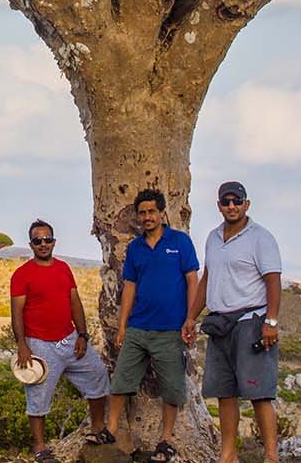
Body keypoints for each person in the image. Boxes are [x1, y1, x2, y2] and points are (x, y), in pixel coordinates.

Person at [187, 180, 283, 463]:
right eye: (226, 202)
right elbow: (207, 278)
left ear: (247, 204)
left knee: (259, 392)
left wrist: (272, 322)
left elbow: (273, 281)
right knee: (224, 393)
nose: (232, 206)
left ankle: (271, 456)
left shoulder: (260, 238)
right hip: (220, 325)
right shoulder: (214, 238)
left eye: (237, 201)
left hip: (251, 322)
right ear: (219, 206)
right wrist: (191, 317)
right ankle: (228, 455)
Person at [106, 188, 199, 463]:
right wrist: (122, 326)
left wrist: (190, 318)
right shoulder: (135, 248)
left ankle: (166, 438)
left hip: (171, 329)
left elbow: (192, 280)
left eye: (151, 212)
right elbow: (129, 288)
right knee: (121, 380)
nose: (147, 217)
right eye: (142, 212)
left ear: (162, 213)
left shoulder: (180, 242)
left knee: (171, 387)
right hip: (138, 327)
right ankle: (111, 429)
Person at [10, 219, 115, 460]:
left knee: (98, 377)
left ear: (54, 241)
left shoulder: (64, 269)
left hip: (69, 339)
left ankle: (98, 429)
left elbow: (75, 302)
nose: (43, 244)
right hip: (39, 344)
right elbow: (16, 313)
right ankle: (39, 447)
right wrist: (22, 346)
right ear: (31, 244)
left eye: (47, 239)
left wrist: (82, 334)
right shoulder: (22, 274)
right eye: (38, 241)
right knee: (38, 396)